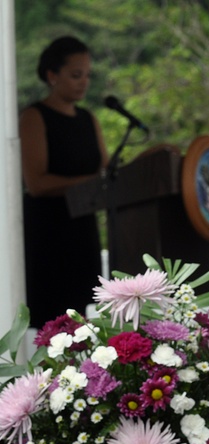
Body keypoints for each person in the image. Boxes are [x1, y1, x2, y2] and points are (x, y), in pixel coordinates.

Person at [20, 36, 108, 329]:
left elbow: (106, 171)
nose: (83, 82)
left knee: (79, 318)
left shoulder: (87, 118)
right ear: (51, 75)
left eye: (87, 75)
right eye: (75, 75)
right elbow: (37, 182)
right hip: (48, 232)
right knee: (52, 320)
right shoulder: (34, 117)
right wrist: (90, 182)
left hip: (82, 228)